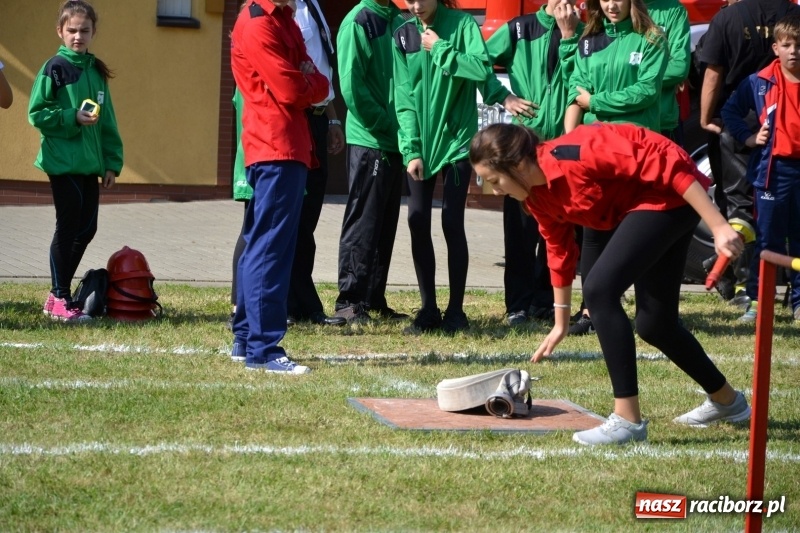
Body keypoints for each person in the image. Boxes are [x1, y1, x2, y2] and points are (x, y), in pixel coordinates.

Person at [469, 121, 751, 446]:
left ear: (518, 164)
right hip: (646, 205)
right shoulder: (536, 197)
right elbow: (559, 251)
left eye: (495, 180)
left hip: (671, 191)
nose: (495, 190)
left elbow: (666, 163)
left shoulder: (579, 152)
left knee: (599, 290)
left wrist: (718, 225)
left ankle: (628, 421)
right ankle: (728, 402)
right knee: (655, 325)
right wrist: (560, 323)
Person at [230, 0, 329, 373]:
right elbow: (290, 87)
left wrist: (310, 80)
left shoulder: (284, 18)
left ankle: (246, 339)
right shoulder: (258, 22)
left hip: (285, 145)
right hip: (276, 146)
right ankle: (264, 348)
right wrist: (311, 82)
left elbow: (315, 76)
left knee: (262, 243)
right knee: (271, 248)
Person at [563, 0, 668, 335]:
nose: (611, 4)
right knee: (593, 230)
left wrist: (596, 102)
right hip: (596, 148)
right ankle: (592, 310)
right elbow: (575, 88)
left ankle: (649, 312)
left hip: (637, 149)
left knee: (637, 232)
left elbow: (646, 91)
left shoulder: (652, 38)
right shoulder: (588, 40)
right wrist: (571, 139)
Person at [481, 0, 583, 326]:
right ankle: (518, 305)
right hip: (524, 148)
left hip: (565, 149)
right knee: (520, 231)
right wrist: (503, 96)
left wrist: (570, 35)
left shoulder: (583, 31)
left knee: (560, 231)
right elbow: (478, 61)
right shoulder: (519, 28)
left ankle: (545, 301)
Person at [393, 0, 492, 334]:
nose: (416, 5)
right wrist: (412, 150)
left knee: (451, 221)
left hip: (457, 143)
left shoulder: (463, 25)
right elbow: (404, 97)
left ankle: (456, 312)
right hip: (421, 145)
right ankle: (428, 310)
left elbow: (480, 70)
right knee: (417, 219)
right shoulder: (402, 34)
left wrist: (440, 48)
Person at [697, 0, 800, 306]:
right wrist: (750, 137)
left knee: (782, 231)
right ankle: (756, 298)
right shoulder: (760, 81)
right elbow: (730, 104)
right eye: (787, 45)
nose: (793, 51)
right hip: (770, 161)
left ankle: (787, 299)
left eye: (797, 45)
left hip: (781, 160)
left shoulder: (728, 17)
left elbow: (713, 72)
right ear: (776, 48)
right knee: (763, 231)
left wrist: (705, 118)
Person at [28, 0, 123, 322]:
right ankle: (60, 297)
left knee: (87, 228)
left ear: (94, 32)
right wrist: (72, 117)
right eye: (71, 30)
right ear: (60, 31)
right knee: (68, 228)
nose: (78, 36)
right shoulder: (55, 67)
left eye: (84, 30)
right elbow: (37, 113)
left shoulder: (96, 71)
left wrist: (111, 162)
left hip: (89, 164)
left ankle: (57, 294)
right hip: (63, 162)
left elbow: (107, 121)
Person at [333, 0, 409, 324]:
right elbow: (352, 87)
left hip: (395, 141)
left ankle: (373, 298)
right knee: (363, 221)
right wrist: (385, 123)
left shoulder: (400, 20)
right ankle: (349, 301)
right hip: (370, 140)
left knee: (384, 224)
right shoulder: (358, 21)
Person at [644, 0, 691, 144]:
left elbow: (679, 67)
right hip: (616, 122)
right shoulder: (614, 9)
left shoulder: (674, 10)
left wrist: (632, 80)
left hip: (662, 121)